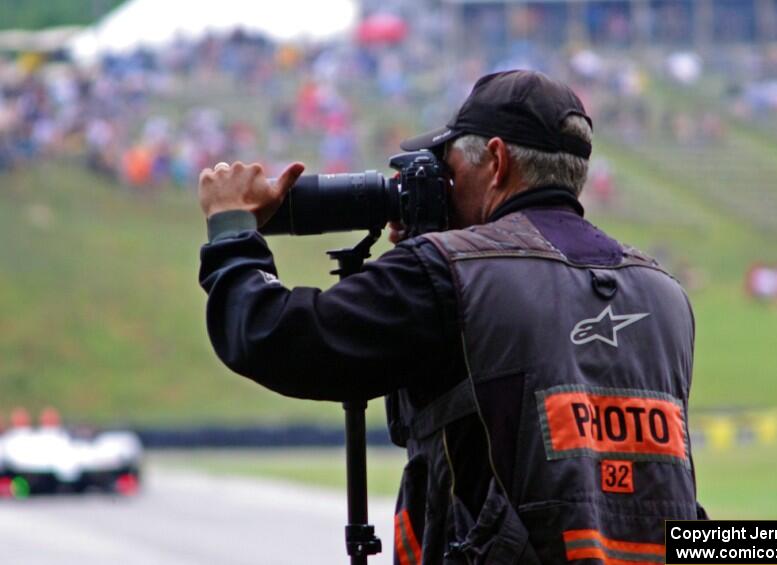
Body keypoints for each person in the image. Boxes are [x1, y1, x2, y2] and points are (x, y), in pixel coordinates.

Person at [198, 70, 706, 564]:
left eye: (449, 169)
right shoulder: (665, 294)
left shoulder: (449, 272)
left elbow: (268, 334)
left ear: (496, 160)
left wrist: (231, 231)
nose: (441, 185)